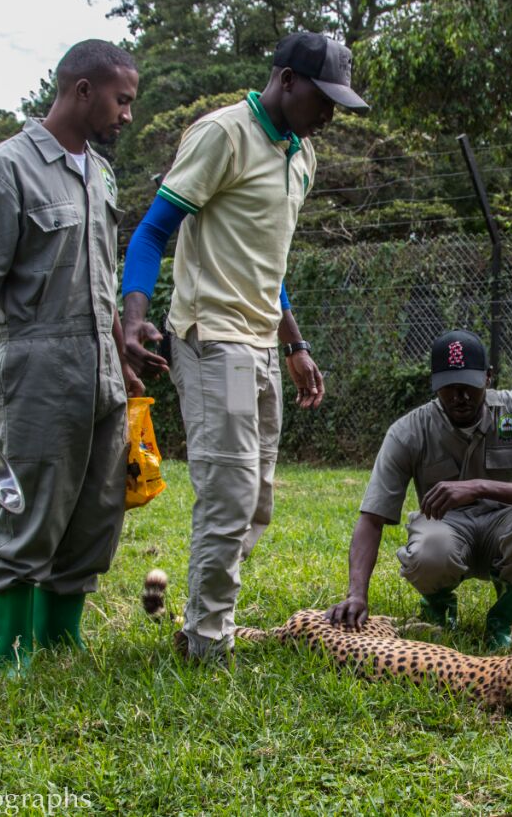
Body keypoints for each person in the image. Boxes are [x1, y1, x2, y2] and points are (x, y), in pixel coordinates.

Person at [120, 32, 369, 664]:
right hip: (216, 340)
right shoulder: (222, 135)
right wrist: (133, 319)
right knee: (229, 492)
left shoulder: (302, 155)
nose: (330, 115)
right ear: (287, 80)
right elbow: (151, 233)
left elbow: (269, 262)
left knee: (256, 499)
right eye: (324, 97)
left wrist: (295, 343)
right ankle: (207, 642)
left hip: (262, 344)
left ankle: (201, 615)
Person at [0, 40, 143, 671]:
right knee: (28, 508)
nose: (127, 115)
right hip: (35, 367)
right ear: (82, 90)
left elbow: (103, 281)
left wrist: (122, 356)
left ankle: (61, 637)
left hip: (102, 371)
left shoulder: (101, 173)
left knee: (95, 511)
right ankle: (12, 654)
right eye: (122, 100)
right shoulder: (5, 170)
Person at [326, 330, 512, 650]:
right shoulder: (408, 431)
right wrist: (357, 595)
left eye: (469, 385)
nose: (460, 395)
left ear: (488, 378)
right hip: (447, 530)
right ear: (433, 385)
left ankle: (507, 616)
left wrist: (479, 487)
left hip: (507, 526)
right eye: (449, 386)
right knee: (430, 547)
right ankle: (439, 607)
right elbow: (371, 517)